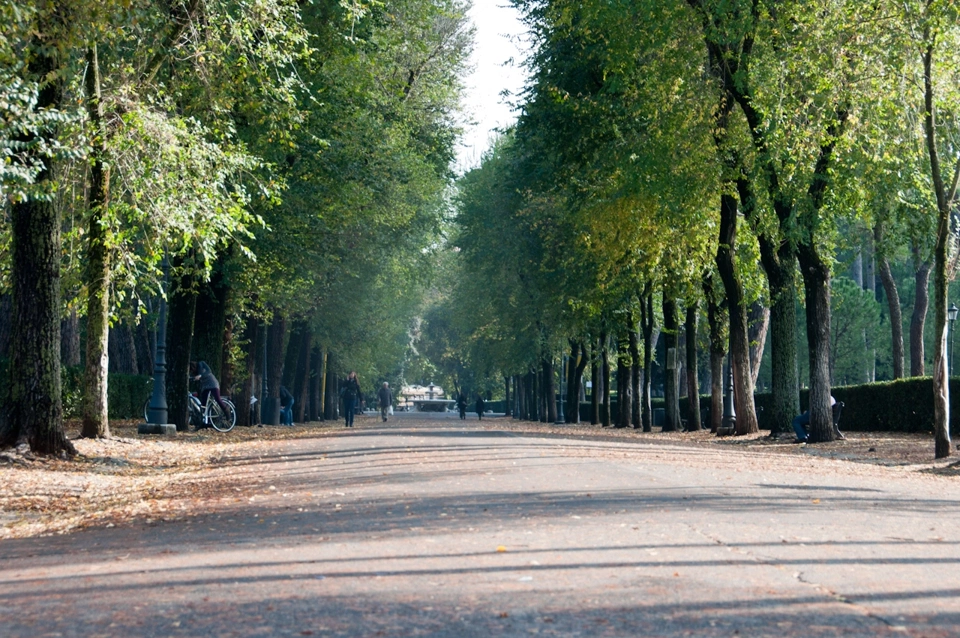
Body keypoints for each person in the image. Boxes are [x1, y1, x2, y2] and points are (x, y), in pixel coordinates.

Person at [192, 361, 228, 429]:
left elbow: (208, 371)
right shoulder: (197, 372)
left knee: (217, 398)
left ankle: (226, 411)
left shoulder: (200, 364)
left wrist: (200, 375)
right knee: (203, 405)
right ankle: (205, 422)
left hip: (213, 384)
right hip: (205, 387)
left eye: (192, 369)